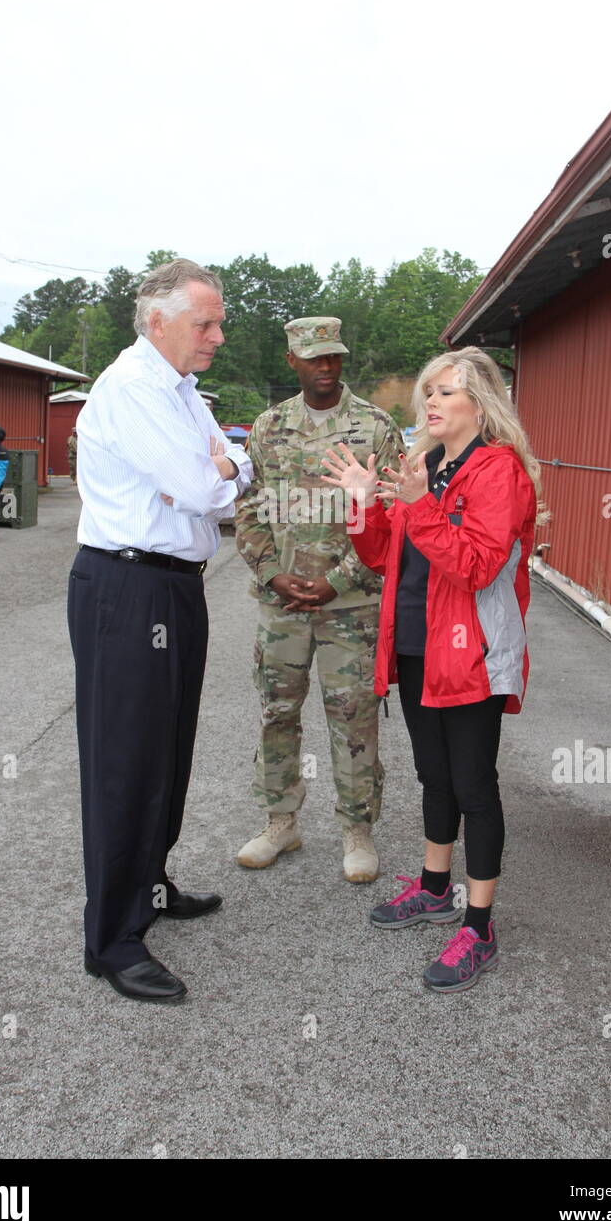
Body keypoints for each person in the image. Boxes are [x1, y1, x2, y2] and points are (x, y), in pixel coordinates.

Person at [321, 347, 543, 993]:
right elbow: (381, 554)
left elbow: (474, 565)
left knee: (474, 782)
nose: (432, 404)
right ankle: (435, 887)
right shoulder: (426, 464)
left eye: (447, 392)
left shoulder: (497, 471)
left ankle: (479, 926)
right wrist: (366, 505)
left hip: (470, 650)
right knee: (433, 773)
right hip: (417, 645)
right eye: (429, 394)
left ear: (482, 402)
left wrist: (417, 506)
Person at [67, 259, 251, 1005]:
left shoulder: (181, 393)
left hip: (173, 585)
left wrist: (226, 465)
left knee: (168, 749)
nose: (217, 336)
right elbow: (213, 487)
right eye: (204, 323)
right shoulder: (135, 390)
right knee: (126, 760)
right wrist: (226, 471)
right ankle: (112, 939)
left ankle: (149, 882)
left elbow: (233, 465)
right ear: (157, 321)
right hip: (128, 586)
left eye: (218, 323)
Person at [234, 317, 402, 882]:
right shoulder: (268, 426)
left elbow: (391, 516)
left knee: (353, 718)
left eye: (333, 356)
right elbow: (251, 509)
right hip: (281, 605)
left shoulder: (375, 427)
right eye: (314, 358)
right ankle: (281, 822)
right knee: (276, 712)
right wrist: (273, 574)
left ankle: (358, 830)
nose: (325, 367)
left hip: (350, 607)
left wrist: (341, 580)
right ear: (293, 362)